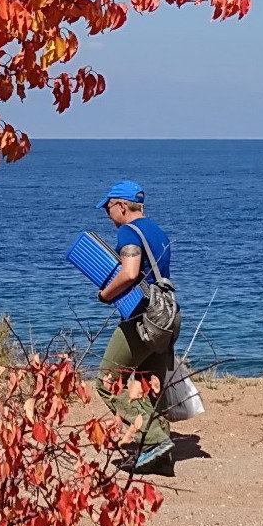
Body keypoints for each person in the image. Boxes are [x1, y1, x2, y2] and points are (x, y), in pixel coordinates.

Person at [94, 179, 176, 476]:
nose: (107, 214)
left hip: (144, 317)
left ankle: (155, 440)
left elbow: (129, 273)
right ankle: (159, 456)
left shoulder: (129, 231)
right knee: (149, 385)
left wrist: (105, 295)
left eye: (108, 208)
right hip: (168, 314)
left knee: (107, 381)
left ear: (121, 205)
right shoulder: (157, 230)